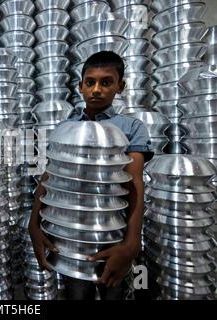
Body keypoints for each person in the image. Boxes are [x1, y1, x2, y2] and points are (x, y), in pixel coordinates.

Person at [28, 51, 154, 300]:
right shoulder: (67, 127)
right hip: (71, 237)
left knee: (113, 292)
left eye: (106, 82)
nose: (96, 89)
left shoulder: (131, 128)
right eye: (90, 82)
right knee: (77, 294)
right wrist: (34, 225)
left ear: (120, 86)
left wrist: (130, 244)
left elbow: (135, 185)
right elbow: (50, 175)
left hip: (113, 236)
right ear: (80, 86)